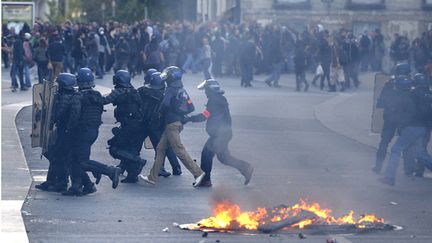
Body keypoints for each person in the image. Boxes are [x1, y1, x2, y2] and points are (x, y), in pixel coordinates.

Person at [140, 66, 205, 186]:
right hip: (178, 122)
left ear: (171, 77)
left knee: (179, 151)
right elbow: (191, 107)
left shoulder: (170, 89)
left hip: (171, 125)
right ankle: (152, 177)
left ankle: (198, 173)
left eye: (167, 75)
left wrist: (159, 113)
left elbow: (164, 104)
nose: (165, 77)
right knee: (160, 149)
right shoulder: (181, 89)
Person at [183, 79, 254, 187]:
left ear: (210, 90)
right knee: (224, 158)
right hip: (223, 133)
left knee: (206, 154)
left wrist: (189, 118)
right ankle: (246, 168)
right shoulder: (219, 98)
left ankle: (205, 180)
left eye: (206, 90)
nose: (205, 92)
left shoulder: (214, 100)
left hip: (219, 135)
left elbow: (205, 116)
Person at [63, 68, 120, 196]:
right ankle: (79, 186)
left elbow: (75, 115)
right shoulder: (97, 95)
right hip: (94, 130)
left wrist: (69, 129)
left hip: (81, 131)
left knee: (82, 161)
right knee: (75, 158)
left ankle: (110, 171)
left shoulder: (78, 96)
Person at [378, 74, 432, 186]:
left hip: (411, 127)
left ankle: (389, 177)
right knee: (419, 152)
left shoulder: (408, 96)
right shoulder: (426, 95)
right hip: (423, 128)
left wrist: (402, 123)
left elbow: (404, 112)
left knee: (396, 149)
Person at [35, 73, 77, 192]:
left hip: (64, 131)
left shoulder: (65, 98)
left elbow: (58, 114)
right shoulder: (66, 95)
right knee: (55, 154)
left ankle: (61, 182)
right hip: (63, 130)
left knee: (58, 156)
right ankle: (51, 181)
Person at [137, 70, 182, 177]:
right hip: (156, 124)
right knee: (162, 147)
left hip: (143, 122)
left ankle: (125, 165)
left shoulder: (143, 90)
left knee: (136, 144)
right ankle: (172, 168)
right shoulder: (165, 93)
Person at [104, 70, 146, 183]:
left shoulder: (119, 91)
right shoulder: (134, 91)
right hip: (138, 125)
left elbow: (105, 100)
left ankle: (138, 161)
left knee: (114, 149)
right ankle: (132, 176)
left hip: (128, 126)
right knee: (130, 150)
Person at [373, 63, 411, 174]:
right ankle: (408, 170)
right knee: (406, 143)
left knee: (384, 142)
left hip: (390, 117)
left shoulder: (390, 84)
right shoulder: (412, 84)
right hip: (405, 119)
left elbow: (381, 102)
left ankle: (378, 167)